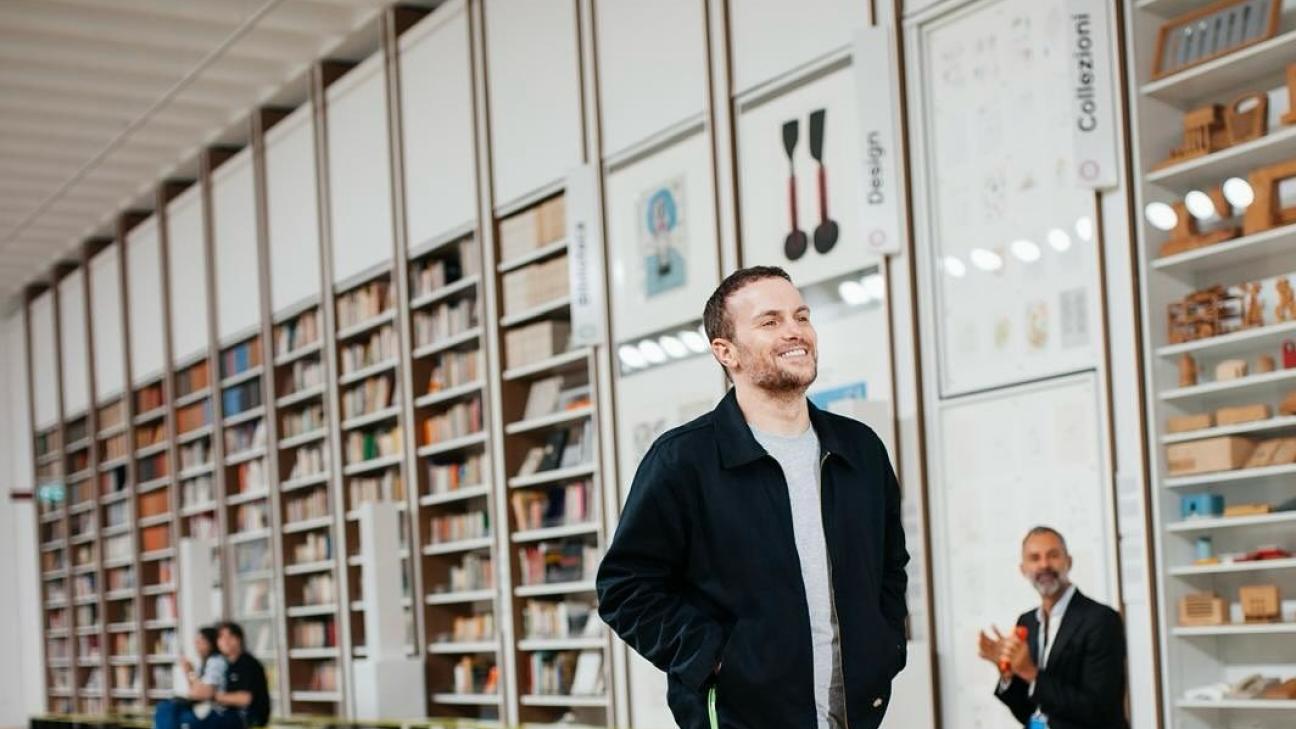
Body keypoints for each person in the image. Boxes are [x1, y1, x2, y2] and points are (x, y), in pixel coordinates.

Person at [597, 266, 909, 729]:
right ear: (726, 351)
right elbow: (624, 588)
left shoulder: (860, 449)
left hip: (854, 716)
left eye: (801, 316)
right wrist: (715, 658)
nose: (794, 331)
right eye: (770, 321)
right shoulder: (684, 460)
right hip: (739, 718)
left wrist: (885, 647)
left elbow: (890, 566)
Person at [978, 526, 1129, 729]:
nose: (1044, 565)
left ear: (1069, 562)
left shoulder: (1101, 620)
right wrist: (1008, 673)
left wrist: (1030, 672)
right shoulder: (1027, 622)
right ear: (1023, 569)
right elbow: (1030, 712)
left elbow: (1098, 710)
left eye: (1053, 555)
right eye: (1034, 558)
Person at [154, 626, 226, 729]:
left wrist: (190, 672)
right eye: (196, 642)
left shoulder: (216, 661)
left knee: (168, 710)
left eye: (201, 642)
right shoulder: (204, 663)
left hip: (212, 710)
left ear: (211, 643)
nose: (197, 646)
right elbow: (193, 690)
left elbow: (203, 693)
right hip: (201, 706)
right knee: (164, 707)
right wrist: (189, 672)